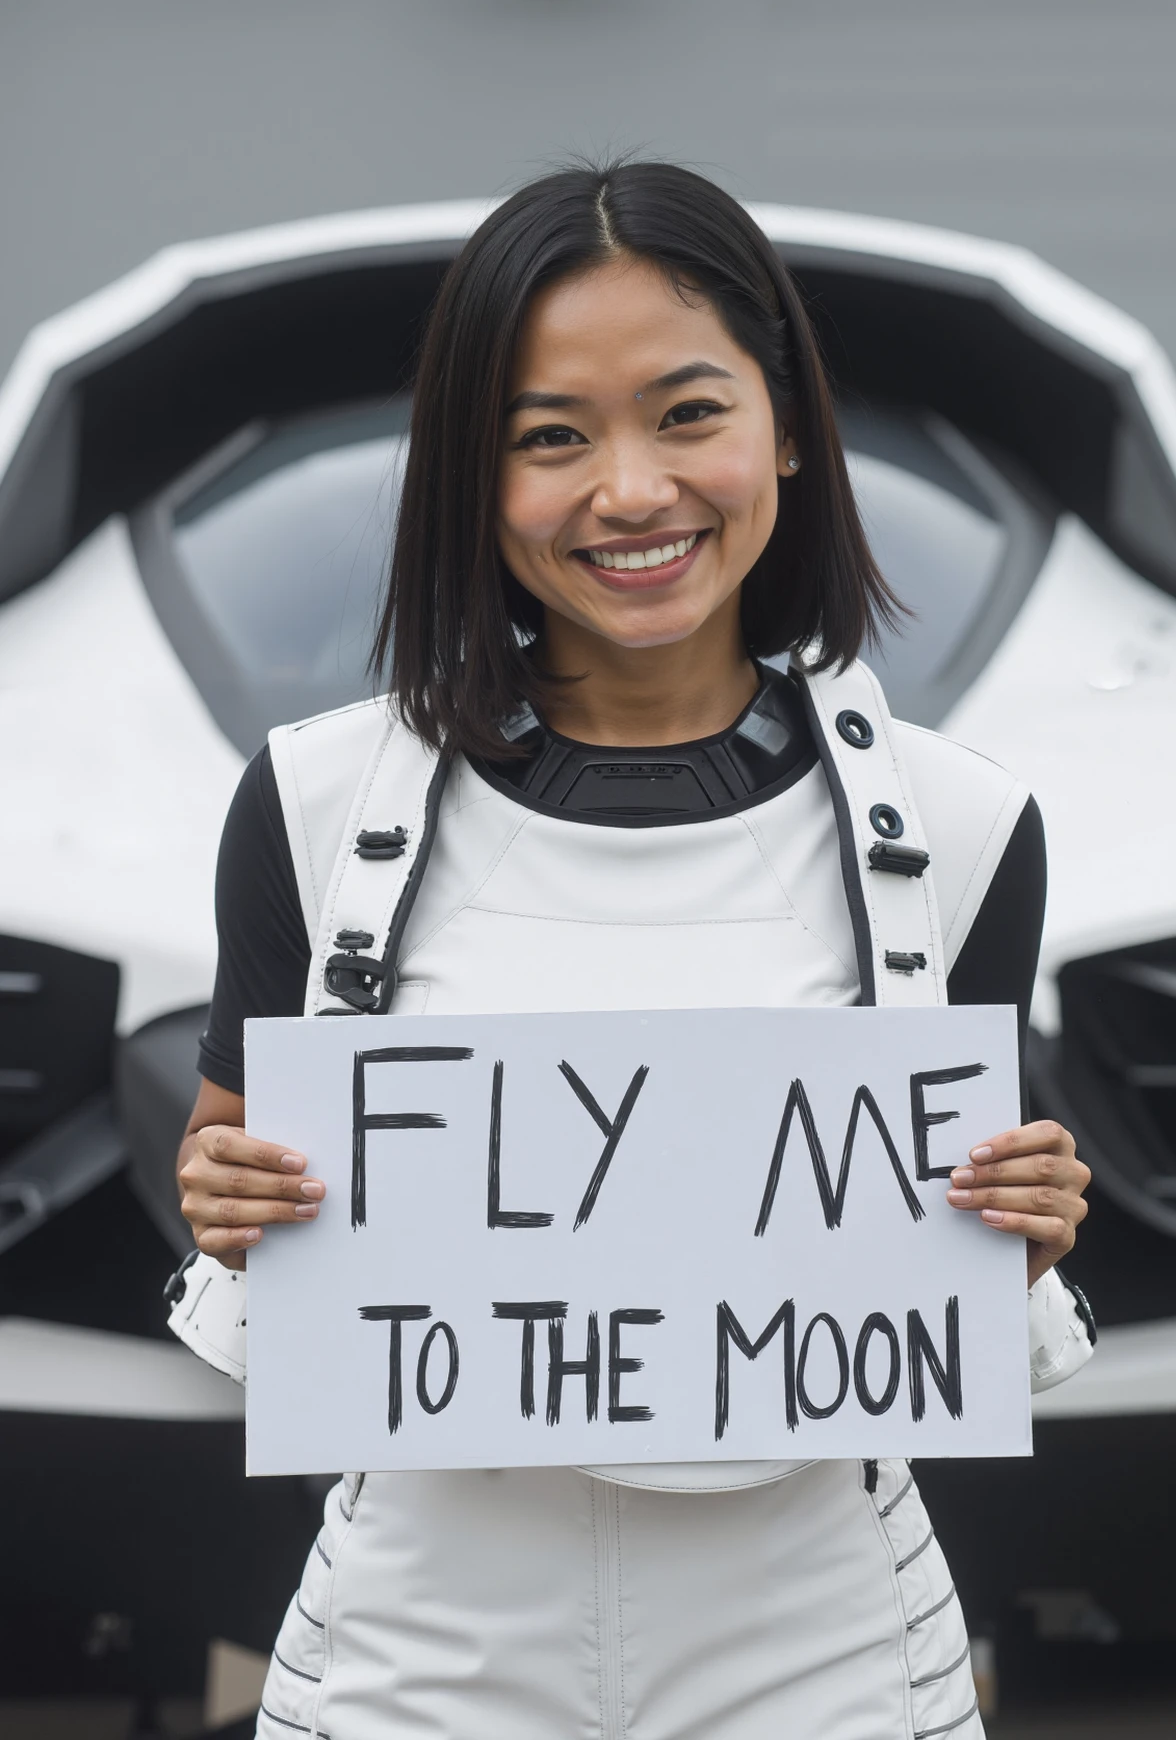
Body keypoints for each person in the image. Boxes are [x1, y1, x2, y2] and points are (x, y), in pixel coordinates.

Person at [174, 160, 1094, 1740]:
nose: (631, 491)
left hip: (825, 1644)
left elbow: (949, 1233)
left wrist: (1025, 1212)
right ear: (474, 473)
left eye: (686, 414)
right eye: (551, 436)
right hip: (425, 1645)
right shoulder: (316, 807)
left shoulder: (962, 827)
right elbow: (232, 1171)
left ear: (788, 427)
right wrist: (232, 1193)